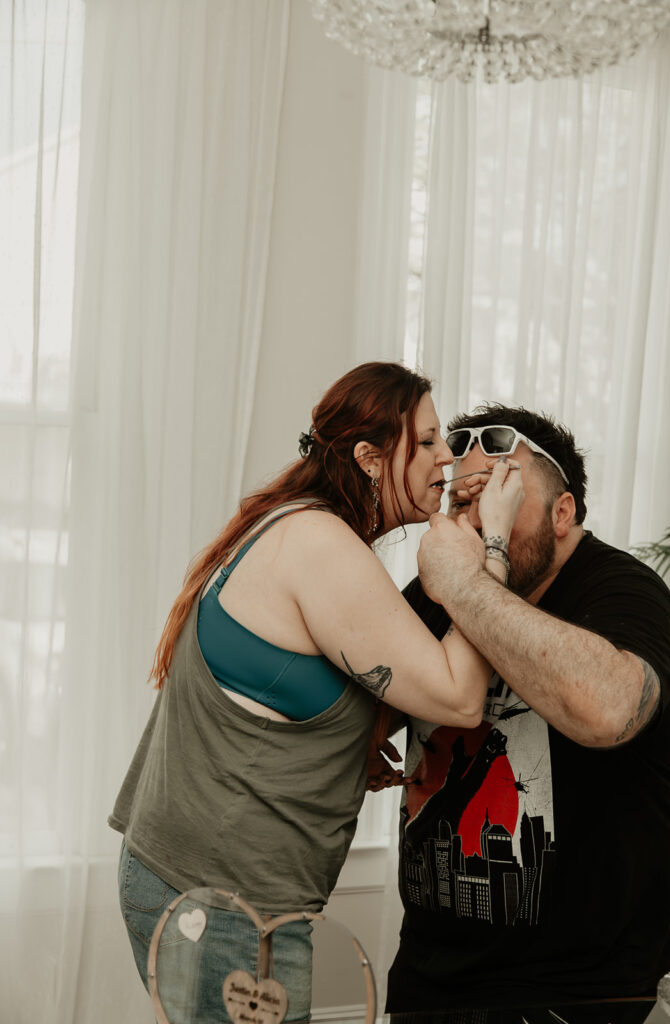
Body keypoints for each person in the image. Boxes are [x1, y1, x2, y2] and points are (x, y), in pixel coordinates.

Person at [108, 363, 523, 1024]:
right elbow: (459, 698)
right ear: (367, 458)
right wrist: (490, 544)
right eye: (425, 442)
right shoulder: (319, 545)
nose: (446, 458)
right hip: (222, 903)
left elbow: (283, 690)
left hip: (199, 884)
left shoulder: (298, 523)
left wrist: (343, 739)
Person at [385, 404, 670, 1018]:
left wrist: (467, 585)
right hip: (428, 978)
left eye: (500, 494)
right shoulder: (443, 584)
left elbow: (608, 709)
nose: (478, 520)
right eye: (466, 504)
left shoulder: (622, 589)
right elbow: (359, 704)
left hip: (576, 990)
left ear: (563, 513)